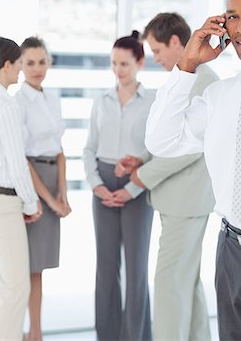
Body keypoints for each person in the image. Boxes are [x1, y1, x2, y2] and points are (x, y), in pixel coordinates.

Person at [145, 0, 241, 340]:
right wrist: (187, 65)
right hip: (231, 255)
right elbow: (162, 140)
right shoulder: (220, 96)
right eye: (232, 17)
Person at [116, 13, 218, 341]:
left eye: (157, 50)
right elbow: (172, 137)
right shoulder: (191, 79)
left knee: (169, 283)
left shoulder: (203, 81)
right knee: (185, 282)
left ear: (177, 42)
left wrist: (141, 176)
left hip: (186, 202)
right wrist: (142, 159)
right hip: (184, 201)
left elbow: (188, 150)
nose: (155, 58)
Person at [82, 31, 154, 341]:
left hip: (137, 187)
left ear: (140, 62)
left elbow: (156, 153)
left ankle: (136, 337)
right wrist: (97, 186)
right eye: (114, 64)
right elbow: (88, 150)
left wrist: (133, 188)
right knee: (106, 270)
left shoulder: (153, 102)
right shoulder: (101, 102)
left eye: (124, 64)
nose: (118, 70)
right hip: (104, 186)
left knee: (136, 271)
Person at [14, 36, 71, 341]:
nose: (37, 68)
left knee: (40, 266)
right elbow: (23, 159)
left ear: (49, 62)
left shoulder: (52, 98)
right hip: (31, 184)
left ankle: (35, 331)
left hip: (52, 180)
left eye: (42, 61)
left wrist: (63, 192)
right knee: (31, 266)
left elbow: (59, 149)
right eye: (30, 63)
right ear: (20, 66)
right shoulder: (17, 102)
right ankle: (33, 332)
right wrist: (48, 200)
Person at [0, 37, 42, 341]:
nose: (21, 71)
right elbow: (16, 163)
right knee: (16, 287)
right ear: (6, 65)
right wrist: (31, 204)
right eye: (19, 64)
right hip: (4, 202)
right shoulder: (5, 105)